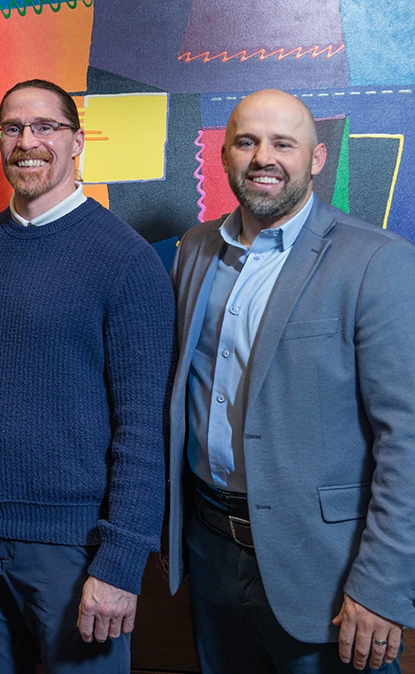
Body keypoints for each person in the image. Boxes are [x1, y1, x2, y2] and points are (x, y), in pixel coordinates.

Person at [0, 79, 174, 674]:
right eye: (13, 128)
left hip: (76, 547)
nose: (27, 141)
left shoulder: (126, 261)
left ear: (77, 142)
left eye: (46, 127)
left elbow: (143, 429)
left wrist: (121, 562)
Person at [166, 88, 415, 673]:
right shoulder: (196, 249)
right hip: (209, 547)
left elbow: (407, 439)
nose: (263, 157)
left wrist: (382, 583)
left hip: (326, 570)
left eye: (283, 143)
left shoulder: (377, 261)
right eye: (247, 142)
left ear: (317, 157)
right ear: (224, 154)